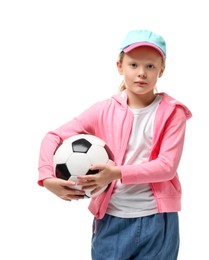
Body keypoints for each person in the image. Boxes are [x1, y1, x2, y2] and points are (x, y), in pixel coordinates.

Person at [38, 29, 192, 260]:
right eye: (133, 65)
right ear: (119, 66)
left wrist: (116, 173)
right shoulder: (103, 110)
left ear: (162, 69)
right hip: (112, 218)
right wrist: (47, 178)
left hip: (158, 221)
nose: (141, 73)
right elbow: (53, 137)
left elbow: (166, 166)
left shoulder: (173, 113)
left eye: (150, 66)